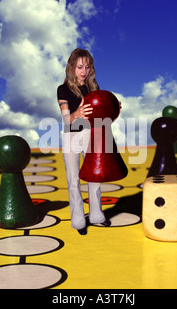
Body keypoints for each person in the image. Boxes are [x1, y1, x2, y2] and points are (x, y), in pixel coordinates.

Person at [57, 48, 111, 235]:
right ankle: (78, 220)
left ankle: (96, 216)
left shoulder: (93, 88)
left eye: (87, 67)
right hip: (71, 137)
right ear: (72, 67)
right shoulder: (62, 89)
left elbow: (101, 115)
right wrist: (77, 114)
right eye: (80, 66)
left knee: (94, 177)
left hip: (90, 136)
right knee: (73, 180)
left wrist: (112, 107)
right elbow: (66, 120)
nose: (84, 71)